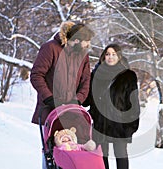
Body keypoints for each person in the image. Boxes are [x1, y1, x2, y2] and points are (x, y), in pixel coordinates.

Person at [30, 21, 94, 169]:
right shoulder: (50, 48)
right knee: (50, 150)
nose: (88, 45)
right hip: (50, 109)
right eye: (87, 42)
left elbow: (86, 80)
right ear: (77, 40)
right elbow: (36, 75)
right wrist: (49, 97)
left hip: (73, 111)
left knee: (75, 149)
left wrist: (78, 100)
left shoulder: (83, 55)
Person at [84, 44, 140, 169]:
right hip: (100, 122)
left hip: (119, 124)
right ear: (104, 56)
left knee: (121, 155)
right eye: (108, 54)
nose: (110, 57)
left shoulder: (128, 76)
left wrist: (131, 126)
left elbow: (134, 103)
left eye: (114, 54)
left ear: (119, 56)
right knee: (100, 156)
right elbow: (89, 98)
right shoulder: (96, 74)